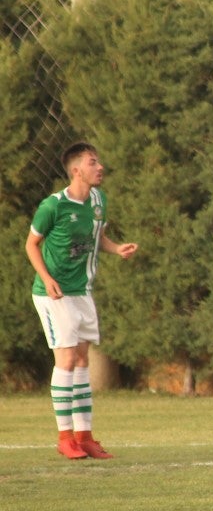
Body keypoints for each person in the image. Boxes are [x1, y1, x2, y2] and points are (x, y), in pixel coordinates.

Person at [25, 142, 138, 460]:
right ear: (77, 170)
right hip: (55, 294)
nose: (99, 167)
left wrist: (116, 249)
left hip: (82, 292)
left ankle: (84, 436)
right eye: (93, 162)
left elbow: (96, 236)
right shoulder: (54, 206)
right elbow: (31, 244)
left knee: (84, 360)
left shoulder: (99, 200)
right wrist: (47, 279)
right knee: (67, 360)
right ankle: (65, 438)